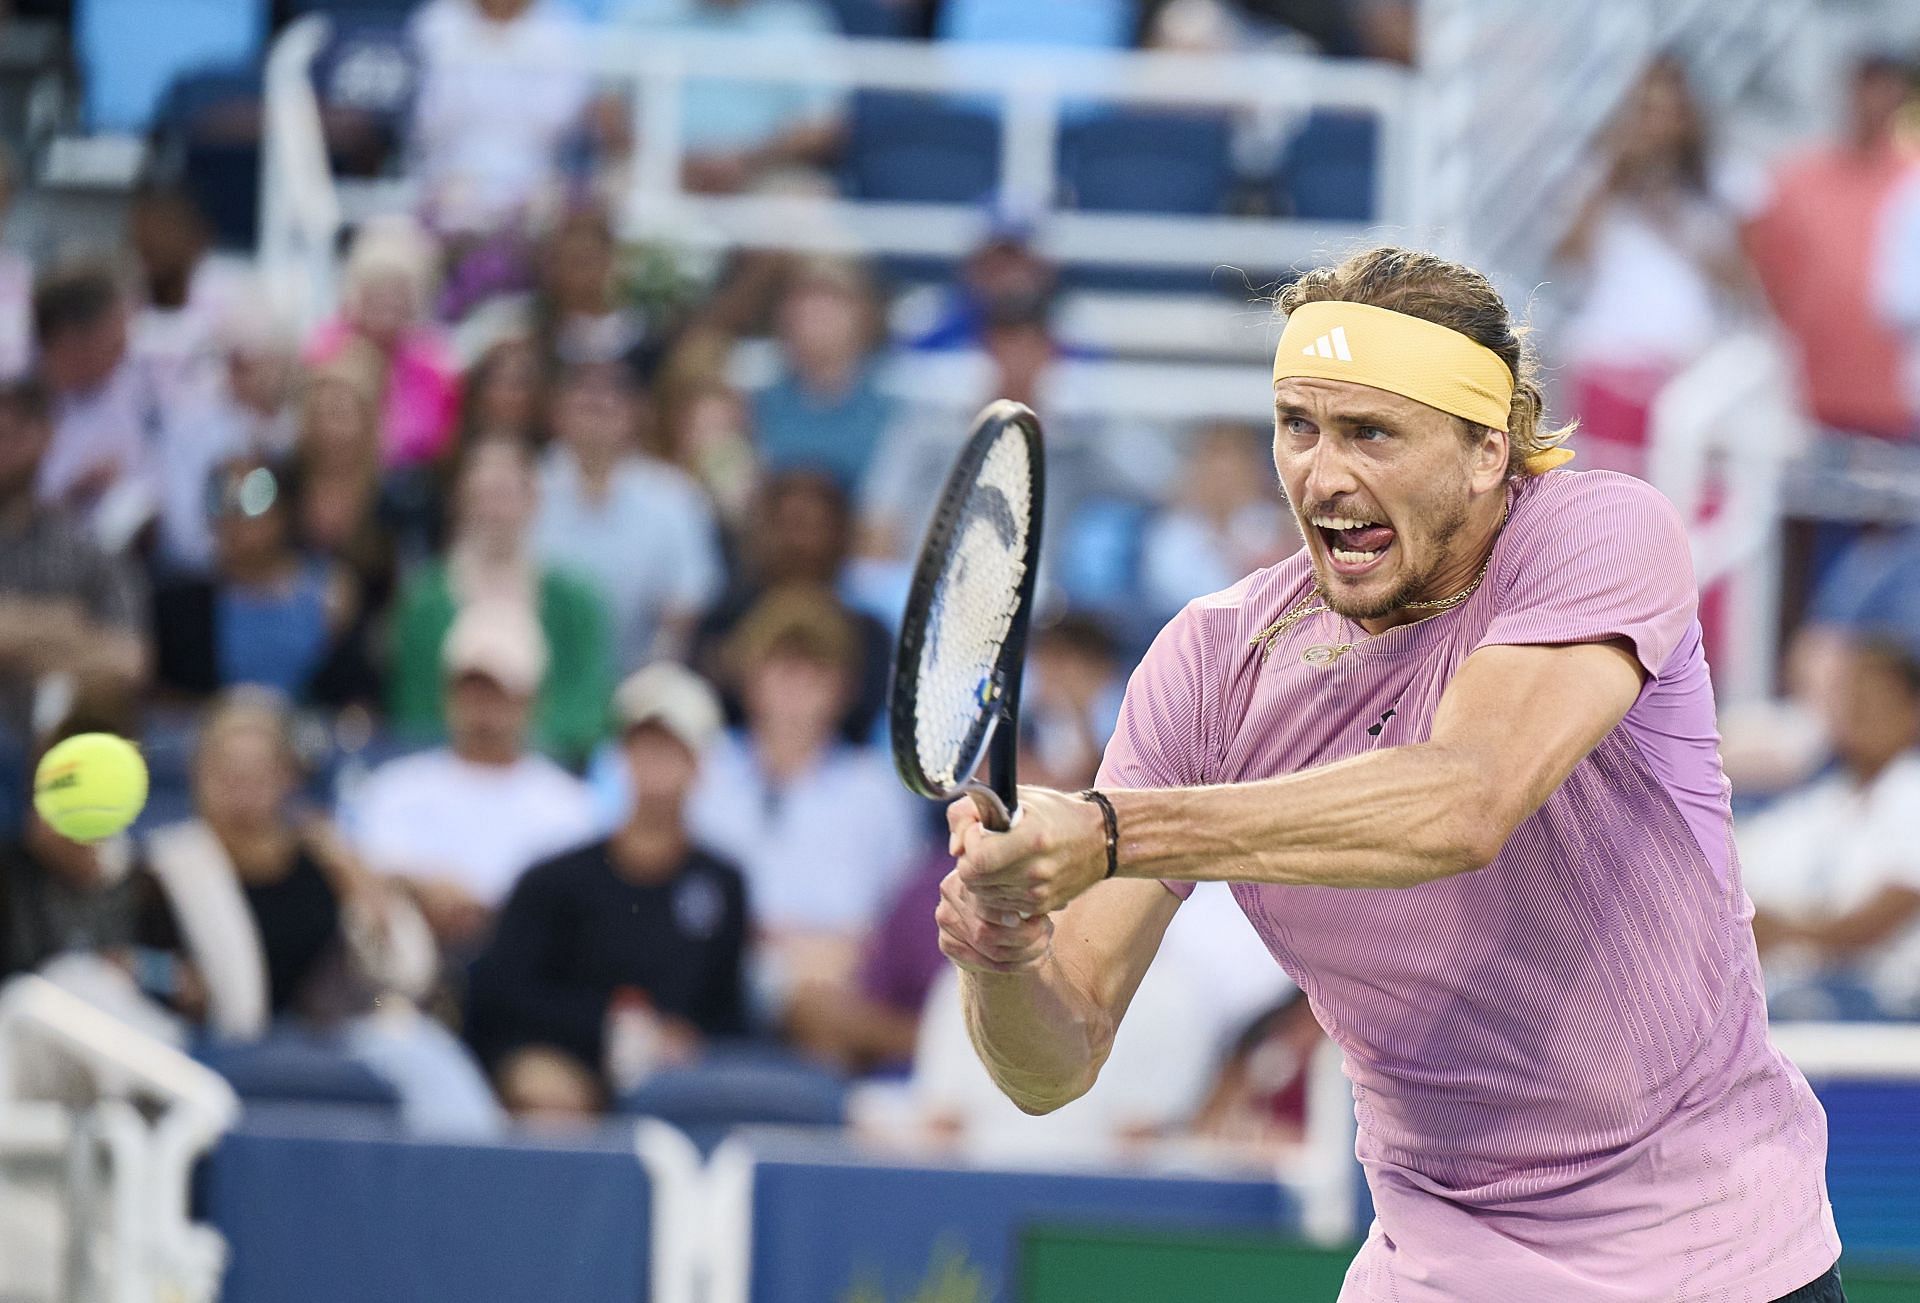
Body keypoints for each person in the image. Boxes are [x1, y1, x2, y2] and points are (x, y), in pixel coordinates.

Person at [935, 247, 1841, 1301]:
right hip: (1440, 1262)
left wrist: (1106, 832)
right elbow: (1058, 1058)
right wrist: (1003, 952)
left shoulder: (1601, 535)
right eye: (1298, 426)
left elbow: (1465, 800)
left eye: (1371, 432)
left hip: (1713, 1256)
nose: (1322, 474)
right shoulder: (1210, 666)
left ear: (1486, 452)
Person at [143, 690, 502, 1134]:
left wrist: (365, 890)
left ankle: (472, 1175)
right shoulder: (166, 866)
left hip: (328, 1034)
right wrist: (171, 979)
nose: (242, 788)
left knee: (419, 1045)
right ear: (199, 775)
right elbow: (136, 961)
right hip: (204, 1039)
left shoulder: (322, 862)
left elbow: (405, 975)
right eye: (227, 771)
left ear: (287, 777)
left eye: (258, 772)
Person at [467, 663, 749, 1117]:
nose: (657, 763)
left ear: (699, 764)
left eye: (672, 749)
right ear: (622, 755)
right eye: (645, 746)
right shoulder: (556, 878)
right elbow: (500, 992)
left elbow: (728, 1008)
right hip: (566, 1059)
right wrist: (607, 1028)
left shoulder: (722, 883)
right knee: (545, 1092)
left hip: (675, 1074)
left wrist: (685, 1040)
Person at [687, 588, 920, 1019]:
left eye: (813, 675)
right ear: (749, 680)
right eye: (780, 670)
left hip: (836, 982)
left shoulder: (874, 791)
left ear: (843, 690)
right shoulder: (706, 773)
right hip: (713, 975)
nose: (794, 691)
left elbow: (898, 920)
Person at [349, 600, 599, 948]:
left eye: (498, 694)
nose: (483, 709)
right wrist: (423, 890)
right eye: (471, 691)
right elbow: (370, 880)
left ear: (532, 701)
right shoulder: (394, 789)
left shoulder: (570, 807)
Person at [1553, 57, 1751, 474]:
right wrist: (1612, 175)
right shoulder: (1598, 176)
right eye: (1645, 110)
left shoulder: (1719, 181)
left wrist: (1671, 219)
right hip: (1609, 356)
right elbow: (1568, 256)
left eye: (1667, 111)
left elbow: (1744, 279)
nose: (1655, 125)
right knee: (1607, 489)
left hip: (1687, 366)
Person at [388, 436, 613, 764]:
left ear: (533, 499)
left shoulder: (574, 601)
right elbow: (414, 710)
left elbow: (588, 708)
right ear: (461, 501)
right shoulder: (425, 602)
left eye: (505, 495)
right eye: (482, 496)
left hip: (552, 771)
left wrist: (517, 751)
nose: (494, 511)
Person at [1739, 638, 1920, 1020]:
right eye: (1850, 693)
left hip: (1894, 1007)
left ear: (1912, 709)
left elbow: (1874, 924)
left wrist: (1783, 931)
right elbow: (1736, 885)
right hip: (1805, 993)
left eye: (1875, 695)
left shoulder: (1911, 792)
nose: (1859, 708)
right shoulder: (1819, 804)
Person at [0, 379, 148, 836]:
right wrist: (66, 622)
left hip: (60, 746)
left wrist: (16, 631)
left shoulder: (85, 547)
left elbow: (129, 660)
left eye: (10, 434)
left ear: (45, 436)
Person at [1746, 52, 1918, 441]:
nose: (1873, 99)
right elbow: (1770, 274)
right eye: (1865, 86)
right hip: (1813, 400)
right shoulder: (1796, 179)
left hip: (1902, 405)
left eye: (1885, 87)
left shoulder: (1913, 183)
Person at [530, 361, 724, 669]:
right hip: (538, 668)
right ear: (558, 413)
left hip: (645, 669)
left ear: (634, 415)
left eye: (608, 410)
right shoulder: (525, 485)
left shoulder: (673, 495)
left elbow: (685, 605)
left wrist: (649, 679)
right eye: (586, 408)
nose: (596, 423)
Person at [149, 456, 375, 708]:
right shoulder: (180, 609)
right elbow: (166, 702)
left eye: (252, 499)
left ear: (282, 513)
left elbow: (355, 698)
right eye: (219, 500)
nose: (233, 516)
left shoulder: (331, 593)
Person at [689, 469, 891, 744]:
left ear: (841, 534)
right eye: (789, 524)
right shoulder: (721, 624)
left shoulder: (869, 636)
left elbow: (861, 721)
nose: (799, 541)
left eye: (815, 526)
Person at [613, 0, 846, 195]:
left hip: (768, 174)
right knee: (614, 205)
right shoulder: (645, 14)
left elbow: (823, 126)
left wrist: (748, 161)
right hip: (655, 168)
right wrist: (675, 162)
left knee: (803, 214)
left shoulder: (798, 22)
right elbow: (607, 110)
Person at [409, 0, 594, 237]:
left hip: (534, 176)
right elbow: (429, 117)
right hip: (446, 172)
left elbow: (558, 119)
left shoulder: (559, 23)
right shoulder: (438, 20)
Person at [305, 219, 461, 468]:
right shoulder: (326, 350)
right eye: (378, 290)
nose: (388, 302)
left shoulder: (432, 366)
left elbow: (442, 443)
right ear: (355, 292)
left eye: (399, 292)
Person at [32, 264, 163, 546]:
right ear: (71, 338)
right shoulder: (15, 406)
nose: (125, 346)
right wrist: (71, 492)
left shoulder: (134, 389)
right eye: (114, 337)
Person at [751, 259, 895, 491]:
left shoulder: (894, 409)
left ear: (862, 314)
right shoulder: (756, 407)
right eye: (801, 305)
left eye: (827, 304)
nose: (810, 318)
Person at [1140, 421, 1297, 623]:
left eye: (1232, 468)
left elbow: (1284, 591)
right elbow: (1166, 595)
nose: (1223, 479)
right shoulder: (1172, 530)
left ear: (1252, 471)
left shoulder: (1275, 525)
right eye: (1213, 467)